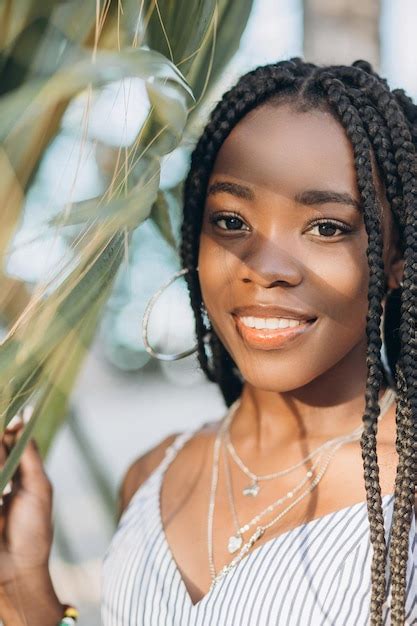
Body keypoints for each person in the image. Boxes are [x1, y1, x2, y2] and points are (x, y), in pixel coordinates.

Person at [0, 57, 416, 626]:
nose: (263, 268)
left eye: (326, 227)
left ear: (396, 259)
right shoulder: (151, 477)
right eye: (231, 221)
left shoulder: (408, 494)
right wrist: (25, 591)